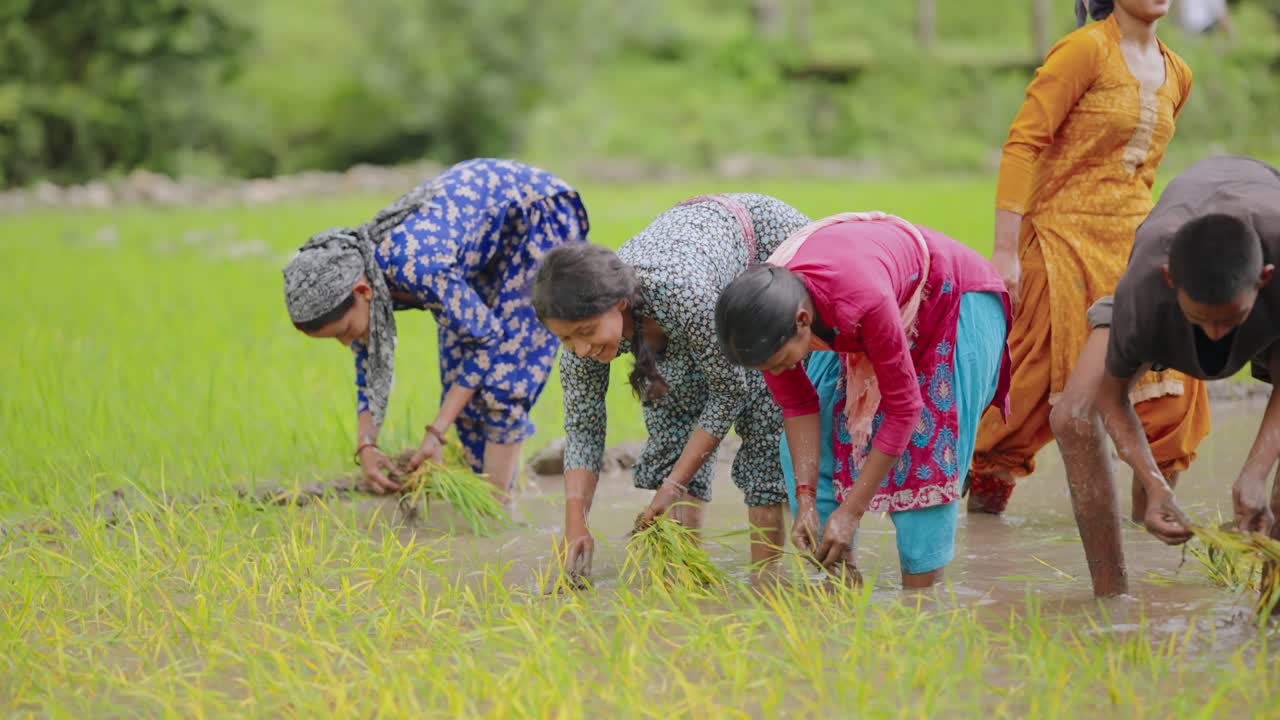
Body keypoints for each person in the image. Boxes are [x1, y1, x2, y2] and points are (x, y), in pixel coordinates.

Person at [970, 0, 1210, 517]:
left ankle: (1151, 546)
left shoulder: (1178, 72)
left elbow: (1141, 171)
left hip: (1138, 252)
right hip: (1061, 248)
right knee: (1017, 410)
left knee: (1168, 403)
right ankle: (982, 537)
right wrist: (1006, 252)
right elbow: (1022, 145)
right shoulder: (1084, 51)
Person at [716, 212, 1012, 588]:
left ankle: (919, 607)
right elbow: (798, 406)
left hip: (948, 298)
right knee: (811, 447)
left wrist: (852, 511)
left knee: (925, 454)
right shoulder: (766, 314)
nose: (776, 375)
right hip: (861, 305)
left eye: (778, 364)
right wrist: (805, 501)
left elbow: (905, 409)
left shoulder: (858, 300)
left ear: (803, 320)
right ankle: (839, 588)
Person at [531, 194, 810, 579]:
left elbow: (731, 390)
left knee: (764, 418)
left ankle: (766, 577)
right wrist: (575, 524)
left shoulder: (682, 295)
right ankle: (682, 573)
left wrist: (674, 485)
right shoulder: (582, 344)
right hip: (691, 276)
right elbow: (583, 427)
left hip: (765, 251)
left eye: (586, 332)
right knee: (669, 412)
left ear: (620, 304)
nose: (581, 348)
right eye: (565, 340)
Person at [282, 159, 589, 505]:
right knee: (462, 382)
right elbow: (370, 357)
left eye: (345, 331)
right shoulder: (361, 270)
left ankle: (498, 514)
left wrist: (436, 432)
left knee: (504, 383)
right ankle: (481, 498)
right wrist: (366, 444)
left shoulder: (419, 268)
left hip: (535, 214)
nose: (346, 342)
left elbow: (487, 339)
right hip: (480, 238)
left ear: (362, 292)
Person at [1050, 155, 1280, 598]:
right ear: (1171, 281)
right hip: (1173, 261)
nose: (1216, 335)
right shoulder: (1148, 284)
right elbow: (1111, 396)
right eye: (1202, 320)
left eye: (1231, 321)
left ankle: (1271, 608)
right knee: (1072, 416)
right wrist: (1154, 485)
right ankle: (1110, 598)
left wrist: (1255, 471)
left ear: (1264, 281)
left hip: (1263, 232)